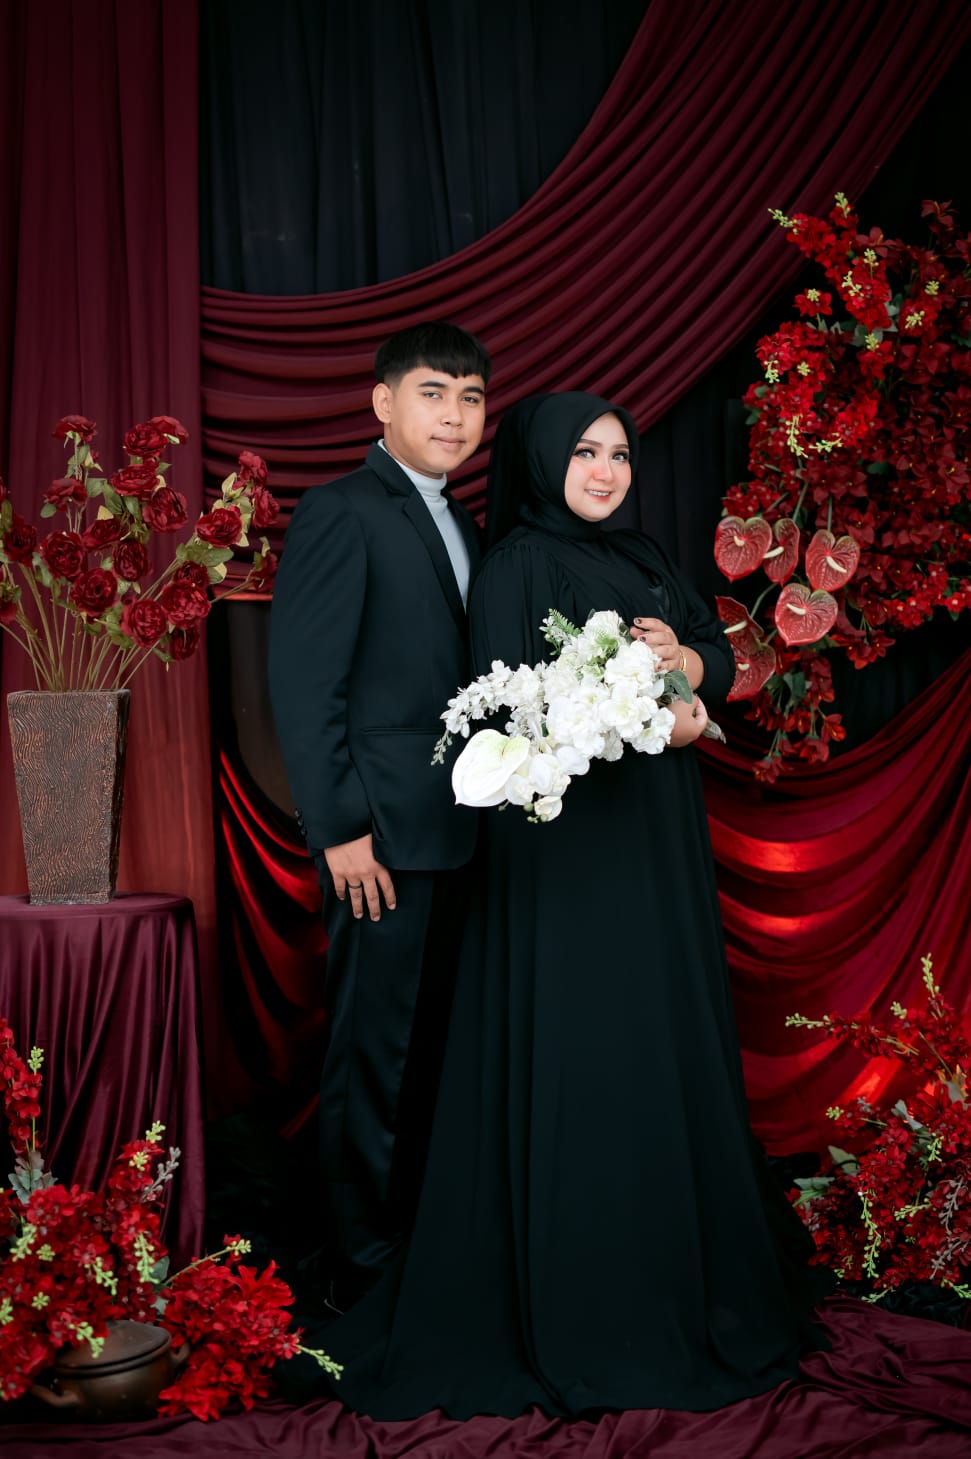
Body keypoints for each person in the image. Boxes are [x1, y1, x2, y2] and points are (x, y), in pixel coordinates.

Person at [321, 391, 831, 1419]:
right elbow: (519, 710)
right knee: (583, 1046)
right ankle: (582, 1294)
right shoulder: (516, 565)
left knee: (655, 1037)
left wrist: (685, 666)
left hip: (656, 844)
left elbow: (716, 655)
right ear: (543, 459)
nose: (606, 472)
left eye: (619, 454)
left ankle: (673, 1273)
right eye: (585, 453)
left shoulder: (643, 555)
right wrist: (647, 710)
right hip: (566, 854)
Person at [268, 321, 491, 1308]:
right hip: (380, 838)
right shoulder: (341, 510)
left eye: (471, 398)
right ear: (382, 403)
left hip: (460, 831)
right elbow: (303, 685)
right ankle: (360, 1264)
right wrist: (340, 830)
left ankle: (417, 1244)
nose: (455, 415)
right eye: (434, 393)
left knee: (433, 1047)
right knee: (373, 1053)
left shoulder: (465, 523)